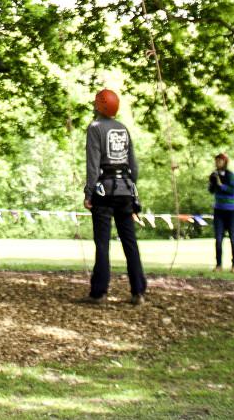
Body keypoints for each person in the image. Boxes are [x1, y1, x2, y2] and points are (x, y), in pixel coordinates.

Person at [85, 88, 147, 305]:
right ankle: (138, 291)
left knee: (102, 242)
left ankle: (99, 292)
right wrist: (131, 187)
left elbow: (93, 165)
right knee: (129, 241)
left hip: (104, 190)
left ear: (100, 106)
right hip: (125, 190)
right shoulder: (123, 128)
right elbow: (134, 165)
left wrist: (89, 193)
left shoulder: (95, 128)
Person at [209, 151, 234, 272]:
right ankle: (218, 265)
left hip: (232, 211)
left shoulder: (231, 175)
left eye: (220, 160)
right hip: (219, 211)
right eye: (216, 161)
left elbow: (233, 190)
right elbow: (211, 190)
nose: (218, 163)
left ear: (225, 162)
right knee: (218, 239)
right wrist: (212, 182)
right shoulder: (214, 174)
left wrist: (221, 185)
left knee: (233, 238)